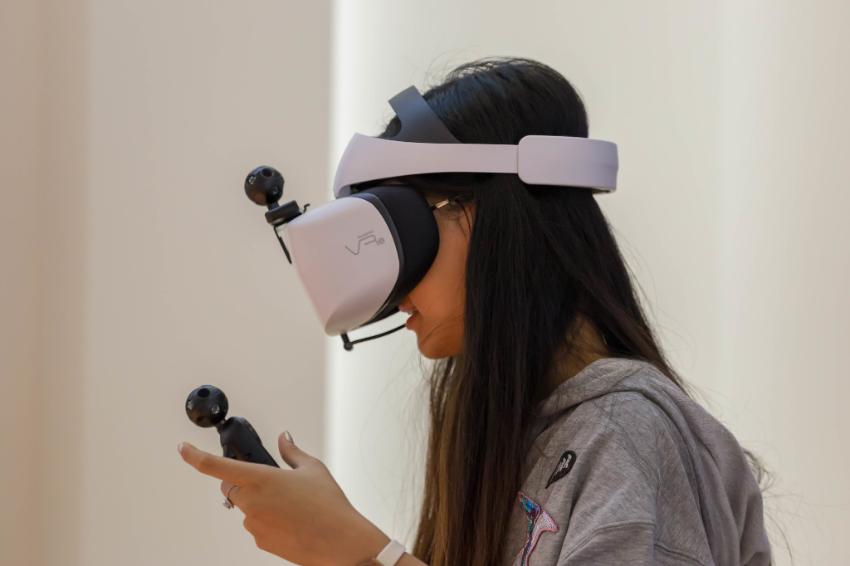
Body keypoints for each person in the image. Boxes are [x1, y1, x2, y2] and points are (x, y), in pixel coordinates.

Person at [178, 56, 772, 565]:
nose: (391, 293)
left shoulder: (626, 434)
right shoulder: (523, 433)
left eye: (400, 243)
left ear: (480, 214)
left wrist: (362, 554)